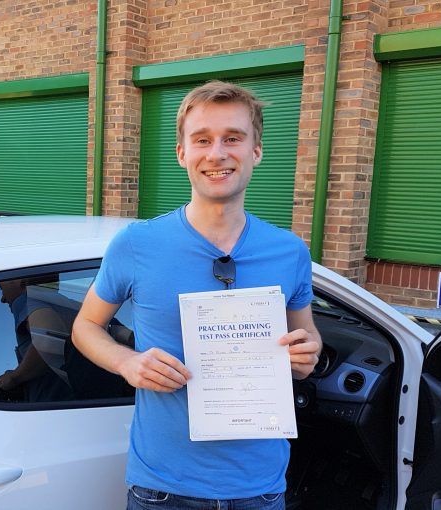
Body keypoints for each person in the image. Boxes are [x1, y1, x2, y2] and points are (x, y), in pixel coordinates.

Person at [72, 80, 322, 509]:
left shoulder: (290, 251)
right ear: (182, 153)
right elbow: (85, 325)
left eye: (233, 138)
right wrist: (126, 361)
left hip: (259, 488)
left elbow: (306, 343)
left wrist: (306, 355)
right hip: (163, 490)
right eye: (202, 140)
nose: (217, 153)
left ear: (256, 151)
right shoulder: (137, 244)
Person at [0, 278, 74, 402]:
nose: (3, 299)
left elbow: (48, 342)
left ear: (19, 281)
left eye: (1, 289)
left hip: (54, 408)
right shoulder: (70, 306)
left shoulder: (27, 302)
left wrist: (14, 377)